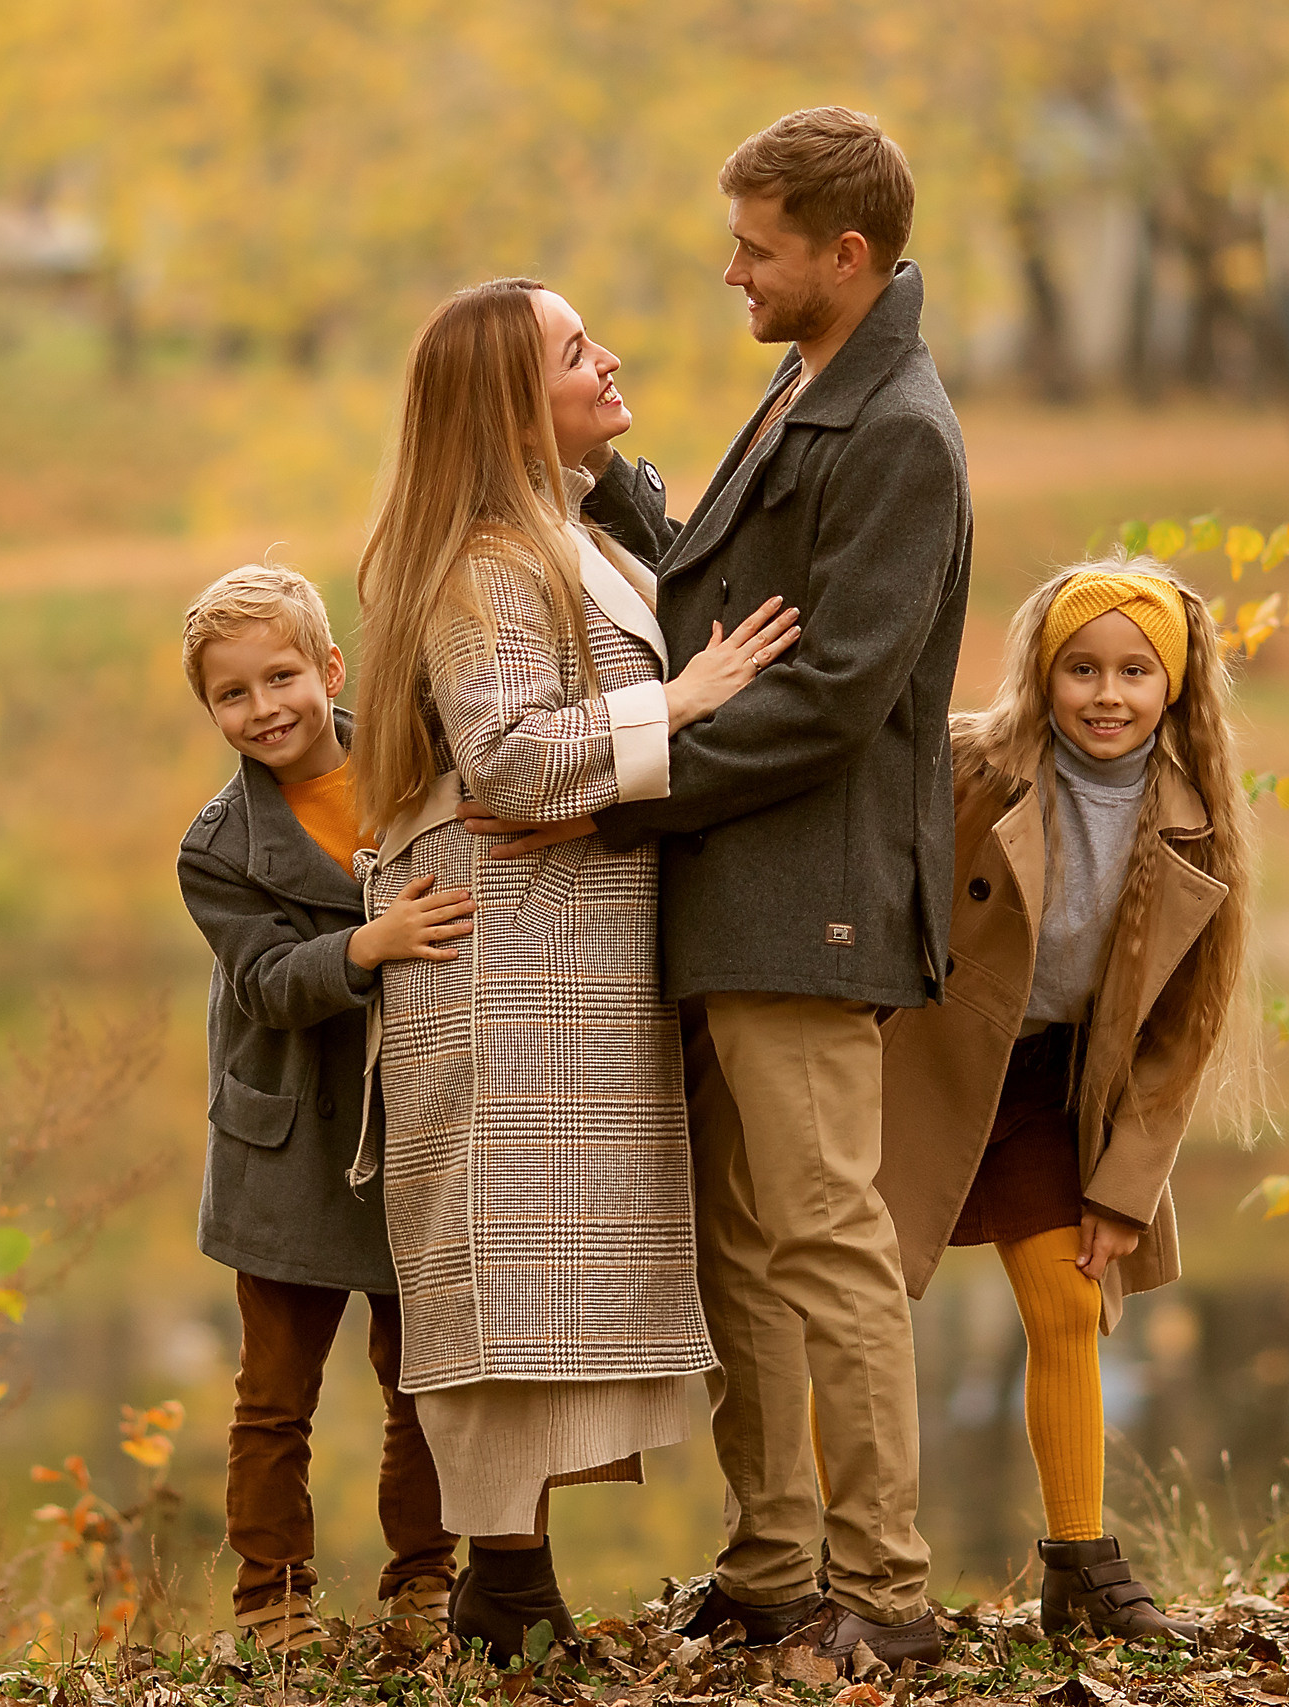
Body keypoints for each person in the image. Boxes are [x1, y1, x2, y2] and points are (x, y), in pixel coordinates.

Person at [490, 106, 972, 1670]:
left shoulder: (900, 429)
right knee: (744, 1254)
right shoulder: (814, 380)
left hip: (809, 896)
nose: (730, 271)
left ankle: (886, 1592)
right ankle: (774, 1561)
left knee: (827, 1238)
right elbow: (723, 577)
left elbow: (833, 691)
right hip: (734, 890)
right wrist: (607, 475)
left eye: (756, 249)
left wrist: (626, 786)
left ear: (845, 254)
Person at [351, 277, 801, 1663]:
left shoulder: (574, 529)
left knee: (553, 1273)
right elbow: (510, 757)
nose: (610, 359)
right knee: (502, 1273)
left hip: (571, 943)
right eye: (572, 350)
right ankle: (505, 1584)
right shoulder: (485, 557)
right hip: (498, 955)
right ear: (506, 401)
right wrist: (677, 698)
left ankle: (514, 1584)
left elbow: (557, 761)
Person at [872, 560, 1258, 1642]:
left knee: (1068, 1305)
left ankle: (1079, 1567)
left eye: (1135, 671)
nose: (1106, 693)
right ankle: (844, 1562)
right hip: (925, 1070)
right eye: (1081, 668)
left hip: (1053, 1085)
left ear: (1172, 688)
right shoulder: (968, 768)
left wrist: (1124, 1189)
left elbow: (1179, 1039)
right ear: (1043, 674)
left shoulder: (1196, 824)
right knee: (856, 1315)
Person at [174, 564, 479, 1655]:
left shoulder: (418, 763)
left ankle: (424, 1582)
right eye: (234, 694)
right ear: (210, 710)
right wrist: (366, 945)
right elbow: (266, 982)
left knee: (423, 1381)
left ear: (330, 669)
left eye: (282, 677)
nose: (265, 709)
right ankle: (273, 1597)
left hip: (418, 1128)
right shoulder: (215, 848)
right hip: (291, 1139)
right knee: (274, 1396)